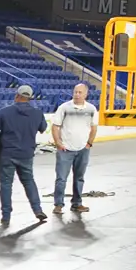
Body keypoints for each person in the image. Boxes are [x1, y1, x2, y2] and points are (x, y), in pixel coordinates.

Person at [0, 85, 48, 225]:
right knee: (29, 182)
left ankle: (6, 216)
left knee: (6, 185)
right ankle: (37, 209)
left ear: (17, 96)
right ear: (30, 98)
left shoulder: (4, 112)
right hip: (26, 154)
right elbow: (43, 128)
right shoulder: (37, 113)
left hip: (6, 154)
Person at [52, 82, 98, 213]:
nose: (77, 95)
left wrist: (89, 143)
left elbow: (94, 127)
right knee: (61, 178)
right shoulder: (64, 108)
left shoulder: (91, 109)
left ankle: (77, 203)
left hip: (83, 149)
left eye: (80, 92)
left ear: (86, 94)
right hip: (65, 150)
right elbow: (55, 126)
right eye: (75, 92)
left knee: (79, 178)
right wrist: (58, 143)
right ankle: (58, 205)